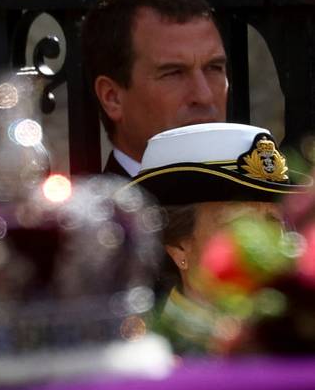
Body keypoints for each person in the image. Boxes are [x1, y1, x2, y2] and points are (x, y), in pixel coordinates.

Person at [127, 122, 310, 352]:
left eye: (274, 224)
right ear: (177, 246)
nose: (263, 245)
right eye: (240, 225)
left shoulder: (297, 338)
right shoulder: (148, 353)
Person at [81, 0, 229, 177]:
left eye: (214, 68)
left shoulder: (265, 202)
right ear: (112, 97)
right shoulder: (102, 208)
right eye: (174, 73)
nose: (204, 96)